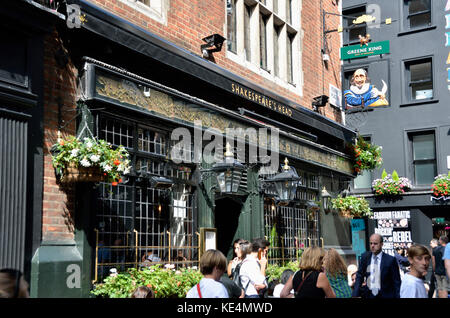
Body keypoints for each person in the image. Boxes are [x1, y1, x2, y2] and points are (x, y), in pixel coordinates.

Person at [352, 233, 401, 298]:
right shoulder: (365, 257)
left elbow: (396, 282)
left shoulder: (390, 260)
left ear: (382, 244)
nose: (372, 246)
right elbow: (359, 275)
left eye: (375, 243)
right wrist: (355, 294)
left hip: (385, 295)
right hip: (369, 295)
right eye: (371, 243)